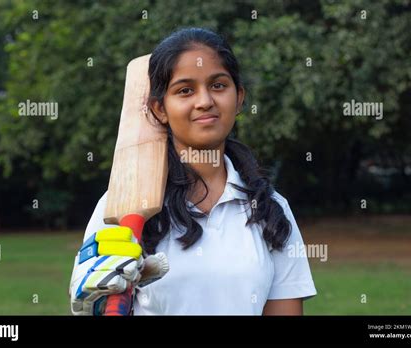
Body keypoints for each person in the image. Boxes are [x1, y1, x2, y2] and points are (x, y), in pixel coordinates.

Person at [69, 27, 317, 315]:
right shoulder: (120, 206)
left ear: (239, 98)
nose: (204, 101)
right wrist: (95, 307)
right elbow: (94, 300)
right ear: (160, 109)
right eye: (185, 90)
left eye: (218, 85)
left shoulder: (270, 209)